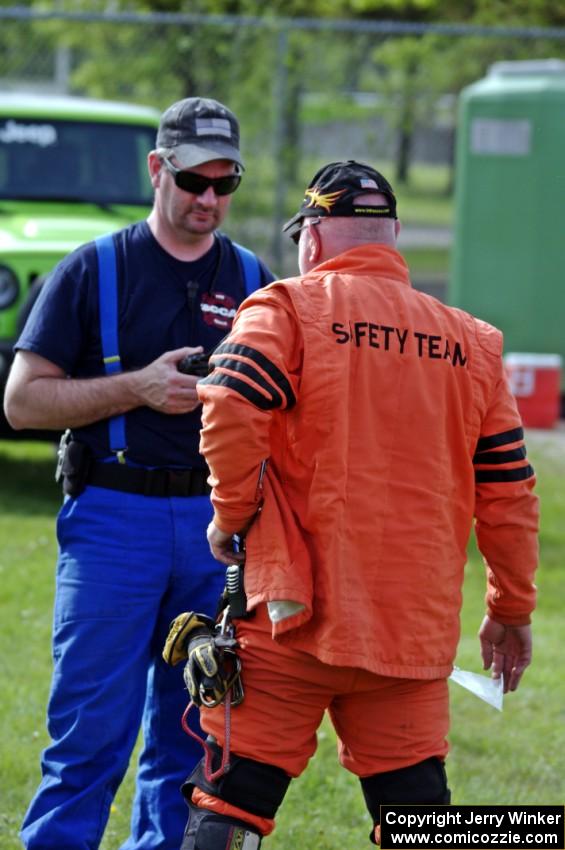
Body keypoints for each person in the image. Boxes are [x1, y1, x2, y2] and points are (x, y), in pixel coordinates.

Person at [168, 160, 539, 849]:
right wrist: (509, 608)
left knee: (229, 806)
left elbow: (227, 398)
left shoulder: (287, 307)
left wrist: (233, 514)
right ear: (392, 235)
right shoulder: (475, 344)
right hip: (409, 634)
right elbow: (508, 492)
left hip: (290, 617)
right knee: (421, 820)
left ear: (310, 237)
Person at [3, 96, 275, 850]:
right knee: (89, 731)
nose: (209, 201)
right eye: (193, 182)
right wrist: (136, 387)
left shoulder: (255, 279)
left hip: (215, 533)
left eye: (226, 185)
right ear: (157, 171)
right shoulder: (93, 269)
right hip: (113, 521)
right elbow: (21, 402)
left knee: (193, 737)